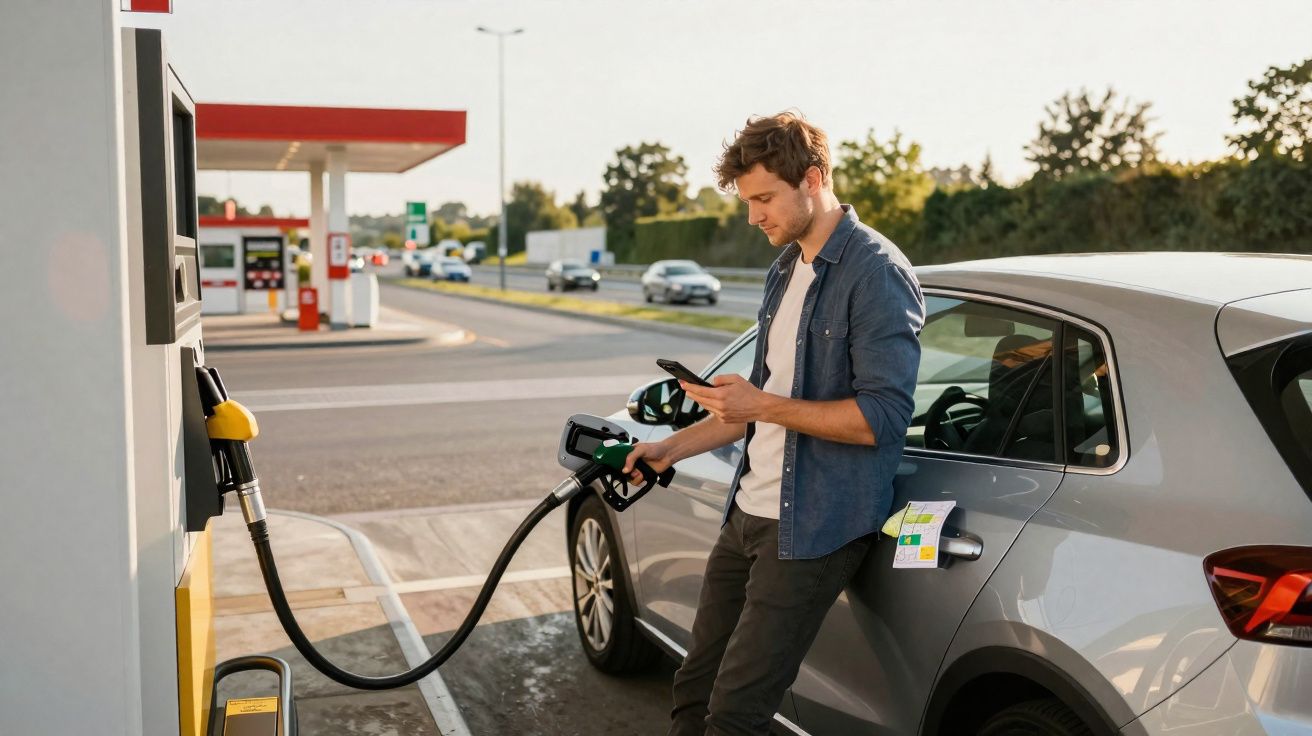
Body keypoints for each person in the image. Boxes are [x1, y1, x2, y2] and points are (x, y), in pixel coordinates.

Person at [623, 111, 926, 736]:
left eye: (764, 198)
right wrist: (667, 449)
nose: (754, 215)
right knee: (692, 686)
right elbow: (750, 409)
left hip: (816, 526)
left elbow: (884, 420)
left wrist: (761, 405)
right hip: (749, 515)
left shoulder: (877, 274)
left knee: (736, 714)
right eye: (747, 201)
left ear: (812, 179)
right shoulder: (784, 269)